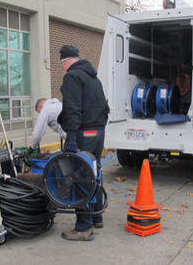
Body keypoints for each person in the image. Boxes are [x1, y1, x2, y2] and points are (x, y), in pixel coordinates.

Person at [57, 45, 110, 241]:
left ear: (65, 62)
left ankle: (83, 227)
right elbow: (105, 107)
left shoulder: (72, 77)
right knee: (94, 173)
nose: (62, 68)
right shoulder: (93, 78)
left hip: (83, 133)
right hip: (98, 132)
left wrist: (71, 137)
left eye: (62, 64)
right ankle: (96, 216)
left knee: (78, 177)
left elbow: (73, 109)